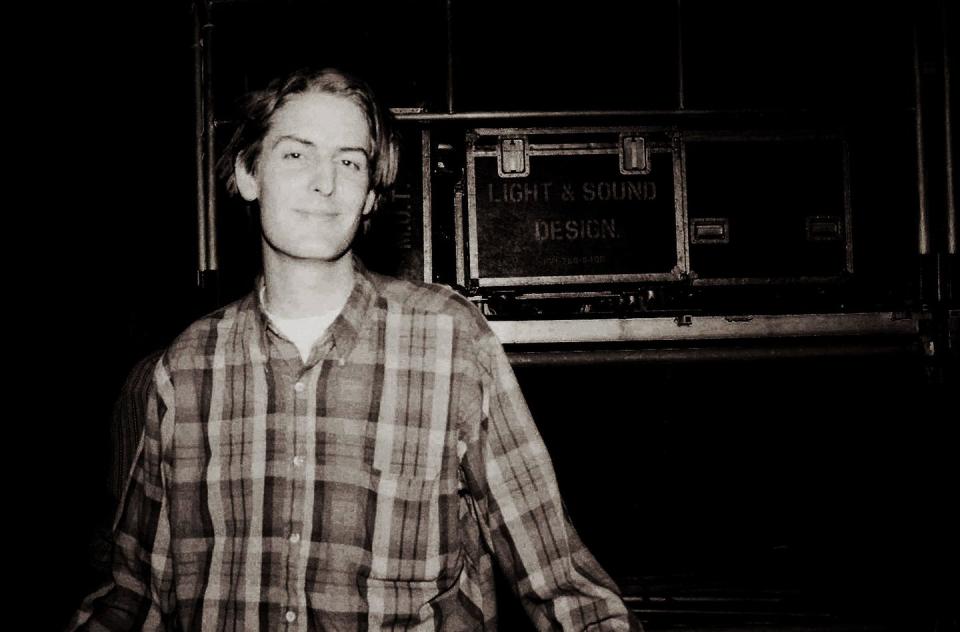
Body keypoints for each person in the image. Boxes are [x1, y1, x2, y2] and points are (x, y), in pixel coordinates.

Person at [69, 67, 641, 631]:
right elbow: (132, 594)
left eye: (350, 161)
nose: (326, 182)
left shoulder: (449, 342)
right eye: (296, 154)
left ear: (369, 196)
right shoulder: (185, 367)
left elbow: (564, 586)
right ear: (248, 174)